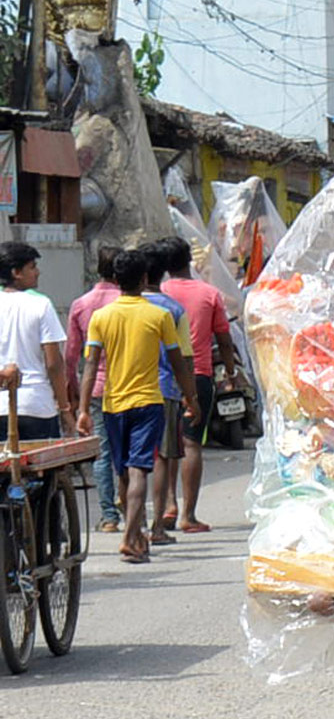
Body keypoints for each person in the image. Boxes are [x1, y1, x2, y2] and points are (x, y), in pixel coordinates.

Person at [77, 250, 198, 564]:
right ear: (144, 279)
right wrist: (191, 398)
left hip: (113, 404)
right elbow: (177, 362)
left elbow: (90, 365)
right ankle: (131, 537)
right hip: (148, 402)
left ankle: (134, 534)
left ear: (116, 280)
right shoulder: (158, 316)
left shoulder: (101, 317)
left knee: (124, 473)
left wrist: (82, 409)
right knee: (139, 469)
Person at [161, 235, 237, 533]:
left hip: (163, 377)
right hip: (198, 375)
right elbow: (224, 337)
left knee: (166, 445)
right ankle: (188, 515)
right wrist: (230, 370)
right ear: (188, 261)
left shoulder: (157, 292)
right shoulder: (209, 293)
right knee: (191, 443)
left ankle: (169, 503)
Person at [140, 240, 196, 545]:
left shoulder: (113, 310)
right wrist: (191, 396)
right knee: (161, 458)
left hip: (123, 391)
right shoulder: (173, 310)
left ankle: (130, 527)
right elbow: (183, 357)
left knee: (131, 463)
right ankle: (157, 526)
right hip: (164, 389)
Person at [66, 245, 123, 531]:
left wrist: (76, 394)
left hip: (97, 388)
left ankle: (109, 516)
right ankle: (131, 507)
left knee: (101, 453)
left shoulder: (82, 304)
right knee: (126, 453)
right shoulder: (128, 303)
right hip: (130, 387)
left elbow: (72, 357)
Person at [0, 241, 73, 441]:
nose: (38, 272)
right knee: (42, 470)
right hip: (36, 405)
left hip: (1, 407)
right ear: (16, 272)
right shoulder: (41, 305)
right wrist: (64, 407)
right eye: (32, 267)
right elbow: (54, 364)